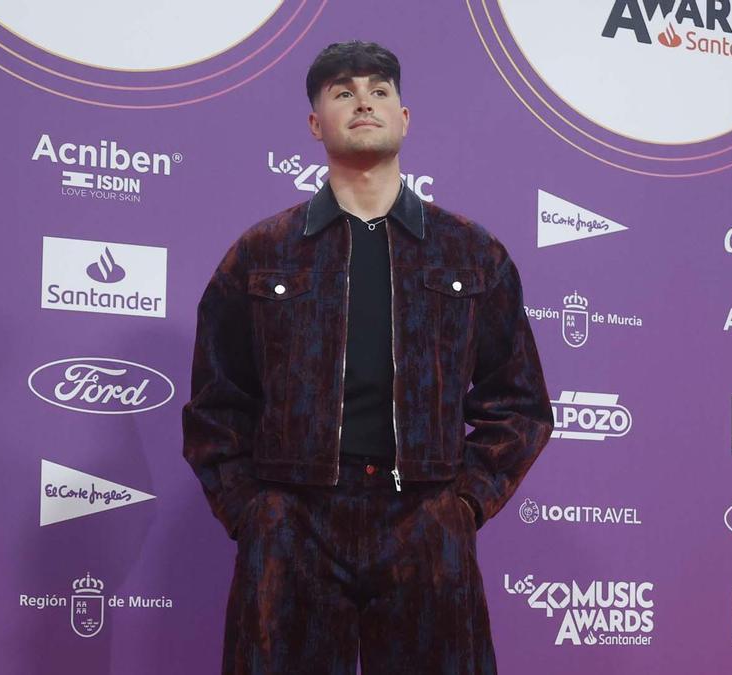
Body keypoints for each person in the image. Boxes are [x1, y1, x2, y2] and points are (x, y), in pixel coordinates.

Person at [182, 40, 553, 674]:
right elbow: (217, 405)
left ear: (404, 119)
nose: (363, 102)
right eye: (342, 92)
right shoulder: (263, 252)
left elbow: (519, 404)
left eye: (380, 91)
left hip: (426, 517)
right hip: (293, 519)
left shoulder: (471, 252)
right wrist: (255, 511)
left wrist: (462, 504)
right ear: (314, 123)